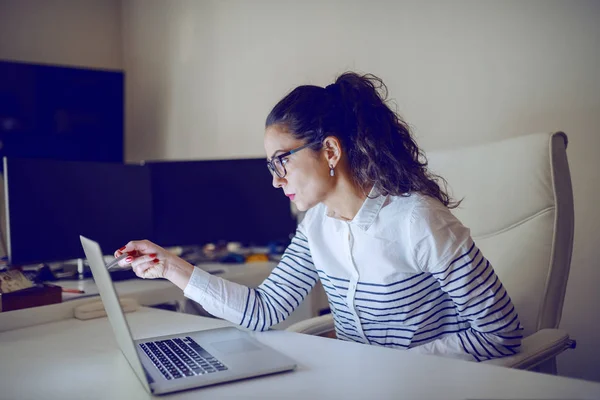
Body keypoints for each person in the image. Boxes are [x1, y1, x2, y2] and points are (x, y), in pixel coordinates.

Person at [115, 72, 522, 362]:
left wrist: (399, 368)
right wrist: (170, 266)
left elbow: (501, 334)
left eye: (281, 162)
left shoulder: (418, 221)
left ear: (329, 151)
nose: (277, 181)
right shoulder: (315, 227)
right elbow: (263, 310)